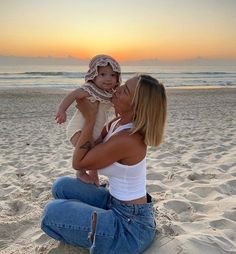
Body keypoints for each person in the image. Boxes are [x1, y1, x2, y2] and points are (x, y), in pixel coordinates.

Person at [41, 74, 167, 254]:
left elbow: (79, 162)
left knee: (51, 213)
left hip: (130, 227)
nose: (116, 90)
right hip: (114, 202)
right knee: (61, 186)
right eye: (121, 85)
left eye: (124, 91)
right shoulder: (118, 123)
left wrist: (90, 118)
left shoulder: (128, 139)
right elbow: (91, 149)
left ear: (136, 105)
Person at [55, 54, 121, 184]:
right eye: (102, 74)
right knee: (87, 152)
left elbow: (117, 106)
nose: (108, 79)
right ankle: (80, 171)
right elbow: (72, 95)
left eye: (113, 75)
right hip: (78, 129)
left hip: (94, 132)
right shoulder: (90, 89)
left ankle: (94, 176)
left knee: (95, 152)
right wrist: (62, 110)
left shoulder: (109, 94)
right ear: (93, 76)